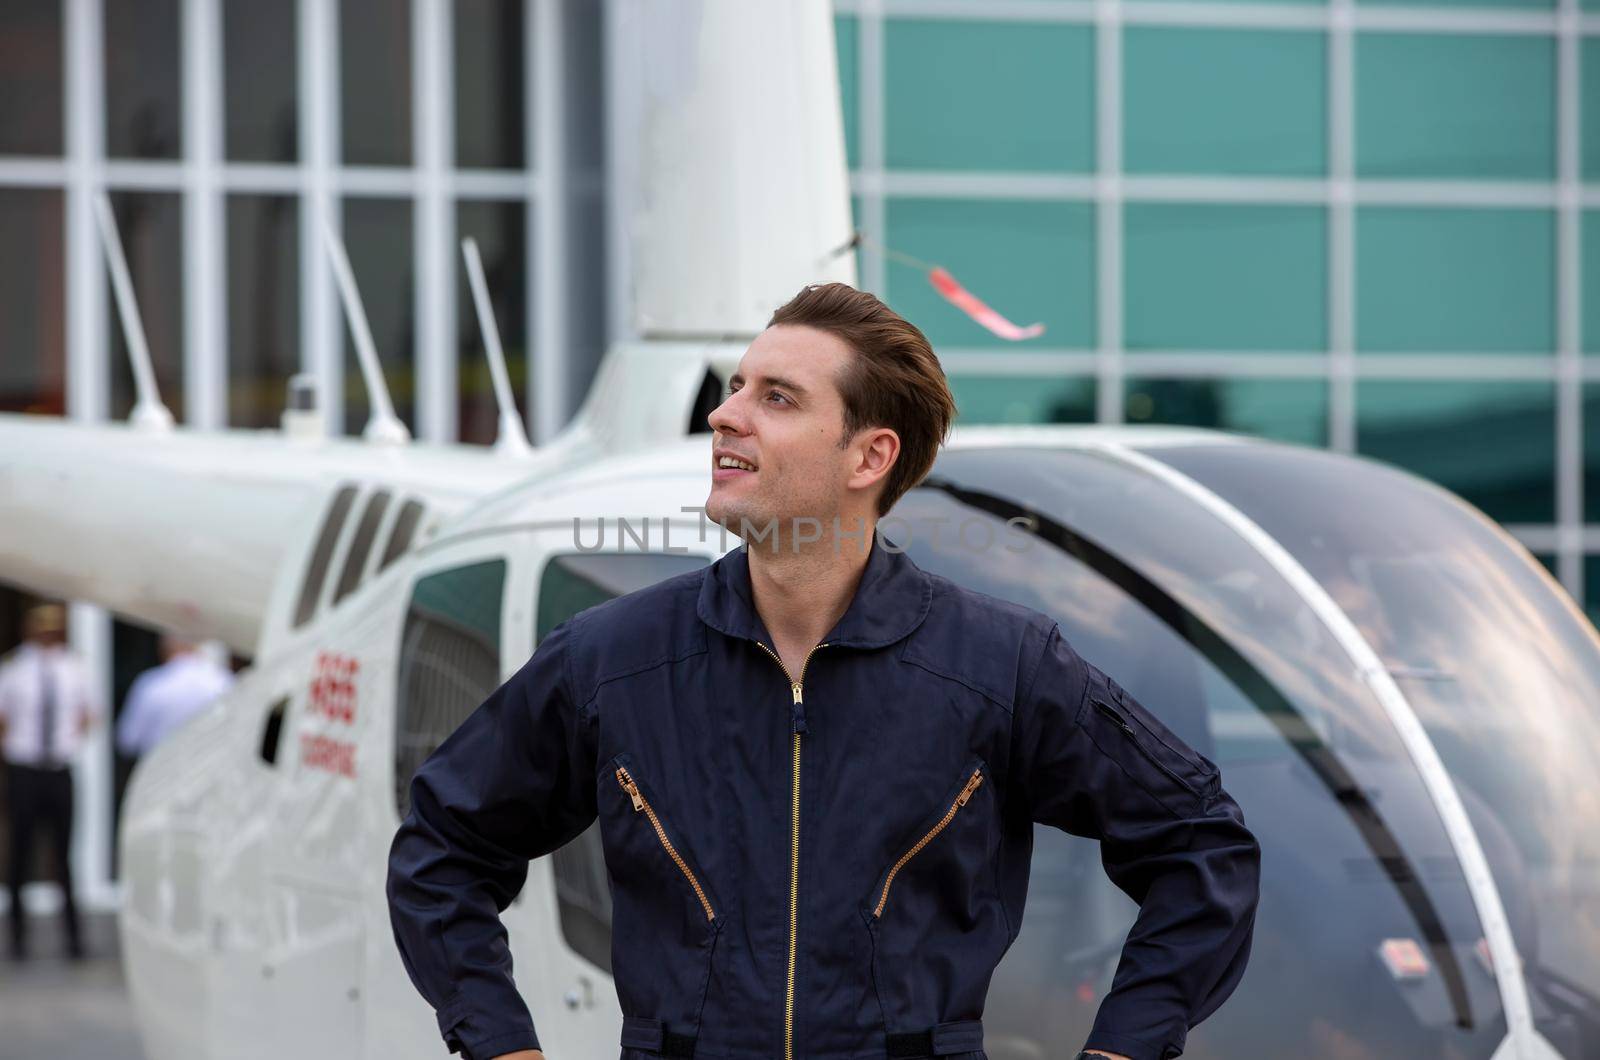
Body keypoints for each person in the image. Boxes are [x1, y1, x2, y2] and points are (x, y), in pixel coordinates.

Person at [387, 283, 1261, 1060]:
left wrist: (1124, 1050)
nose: (726, 416)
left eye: (776, 397)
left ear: (868, 457)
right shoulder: (610, 660)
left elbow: (1201, 845)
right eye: (736, 389)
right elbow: (443, 848)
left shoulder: (1003, 667)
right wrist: (499, 1044)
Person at [0, 601, 102, 960]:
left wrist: (67, 744)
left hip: (58, 769)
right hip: (25, 769)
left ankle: (74, 939)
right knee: (20, 856)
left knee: (64, 856)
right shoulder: (14, 669)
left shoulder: (74, 668)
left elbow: (89, 715)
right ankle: (17, 940)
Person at [115, 634, 235, 758]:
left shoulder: (150, 684)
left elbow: (127, 741)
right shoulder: (223, 682)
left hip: (160, 770)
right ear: (196, 646)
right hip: (208, 768)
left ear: (163, 649)